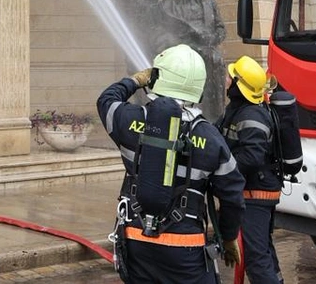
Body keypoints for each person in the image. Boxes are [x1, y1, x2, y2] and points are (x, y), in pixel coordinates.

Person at [98, 44, 244, 283]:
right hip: (185, 248)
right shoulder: (211, 138)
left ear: (157, 78)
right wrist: (228, 238)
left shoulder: (129, 120)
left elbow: (106, 100)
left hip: (136, 241)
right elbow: (233, 196)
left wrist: (135, 81)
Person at [219, 56, 284, 284]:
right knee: (262, 249)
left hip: (257, 194)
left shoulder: (251, 115)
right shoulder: (237, 109)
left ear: (240, 85)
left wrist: (223, 170)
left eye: (231, 77)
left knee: (255, 257)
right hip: (256, 190)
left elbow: (252, 157)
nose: (226, 79)